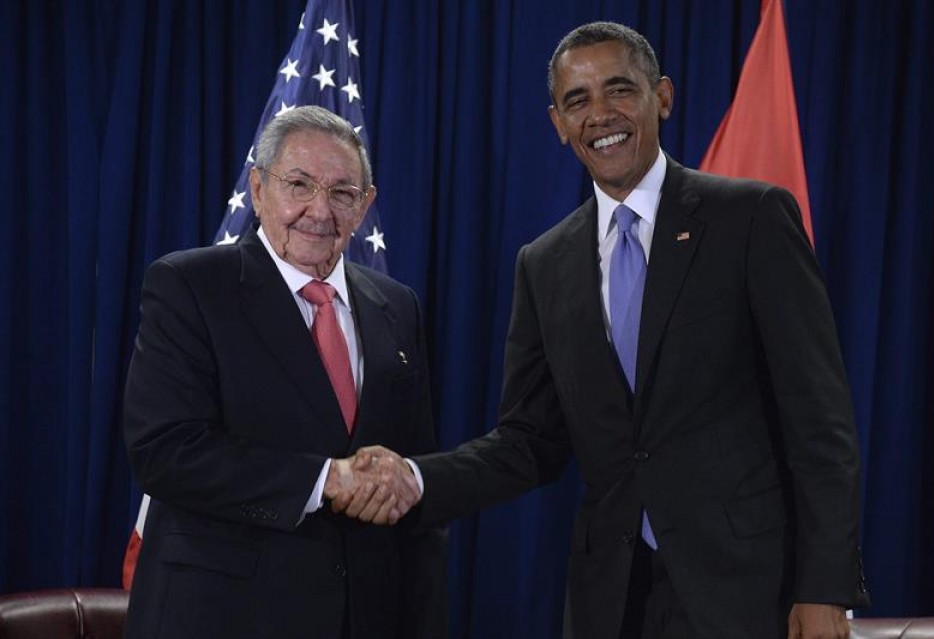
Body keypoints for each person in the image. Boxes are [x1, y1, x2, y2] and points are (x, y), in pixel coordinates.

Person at [338, 21, 869, 639]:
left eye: (620, 89)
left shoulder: (749, 217)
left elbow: (819, 420)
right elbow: (528, 442)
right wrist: (416, 477)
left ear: (662, 96)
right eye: (577, 100)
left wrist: (824, 587)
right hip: (612, 599)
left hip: (749, 589)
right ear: (558, 124)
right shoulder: (544, 262)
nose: (601, 114)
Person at [123, 106, 445, 639]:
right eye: (299, 184)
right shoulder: (191, 286)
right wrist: (326, 481)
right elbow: (165, 452)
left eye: (342, 193)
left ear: (365, 206)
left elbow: (414, 482)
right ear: (257, 188)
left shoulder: (397, 306)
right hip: (223, 616)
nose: (319, 210)